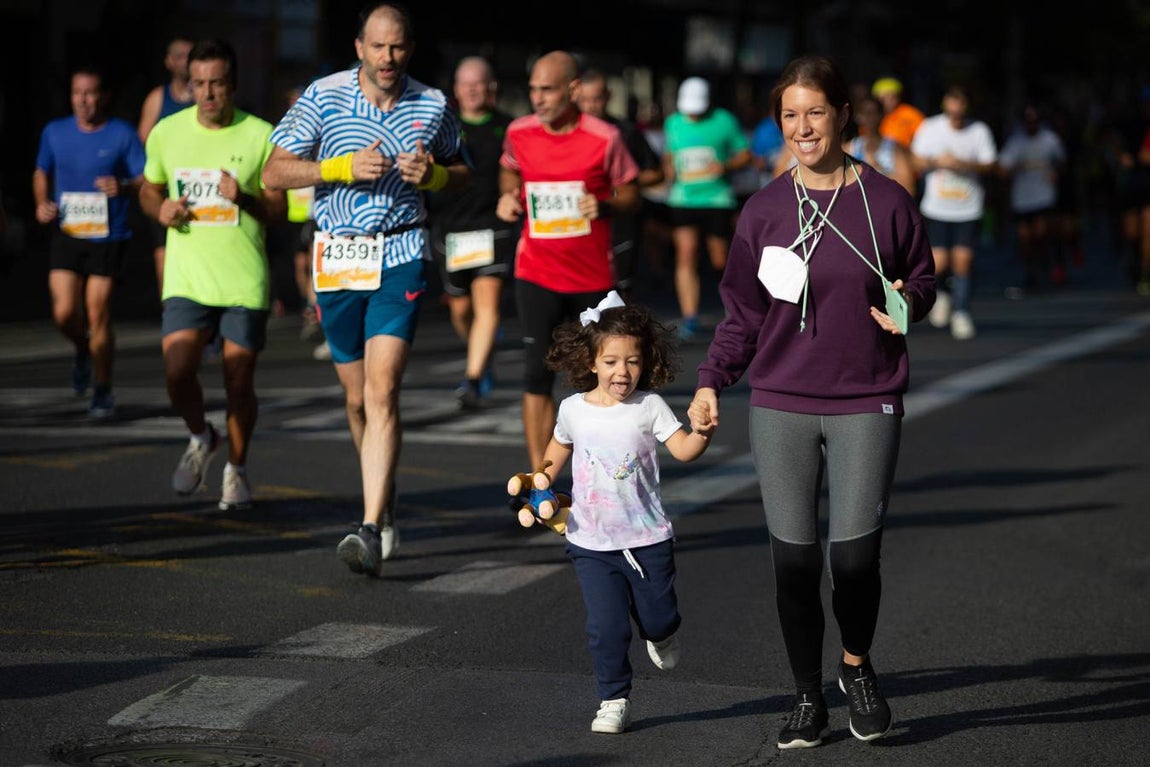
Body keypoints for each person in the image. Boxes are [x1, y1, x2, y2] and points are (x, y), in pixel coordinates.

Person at [687, 55, 935, 750]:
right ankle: (806, 695)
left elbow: (921, 275)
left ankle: (855, 667)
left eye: (815, 113)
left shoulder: (886, 200)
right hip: (780, 400)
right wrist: (711, 380)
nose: (802, 127)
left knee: (853, 562)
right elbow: (740, 311)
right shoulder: (763, 210)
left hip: (867, 395)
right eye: (789, 115)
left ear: (843, 115)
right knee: (793, 562)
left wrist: (908, 303)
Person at [262, 2, 470, 575]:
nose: (388, 58)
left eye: (398, 46)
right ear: (359, 47)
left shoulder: (431, 104)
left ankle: (370, 524)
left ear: (410, 47)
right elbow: (273, 173)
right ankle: (384, 496)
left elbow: (463, 171)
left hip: (401, 251)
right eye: (378, 47)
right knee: (355, 400)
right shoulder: (323, 96)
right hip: (338, 257)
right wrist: (339, 168)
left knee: (382, 394)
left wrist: (432, 176)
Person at [523, 291, 712, 734]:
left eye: (631, 361)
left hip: (648, 539)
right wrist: (540, 480)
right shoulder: (573, 409)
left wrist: (702, 432)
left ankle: (662, 634)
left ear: (644, 363)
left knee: (659, 616)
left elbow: (683, 449)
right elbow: (557, 450)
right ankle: (613, 698)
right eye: (610, 362)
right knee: (605, 628)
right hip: (590, 541)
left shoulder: (649, 408)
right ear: (592, 362)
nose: (621, 372)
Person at [138, 39, 286, 512]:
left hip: (243, 279)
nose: (206, 94)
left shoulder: (260, 135)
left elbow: (277, 211)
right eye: (198, 83)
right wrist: (159, 208)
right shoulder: (167, 131)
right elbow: (149, 188)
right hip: (188, 276)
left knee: (238, 382)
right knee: (178, 373)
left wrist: (241, 197)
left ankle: (237, 470)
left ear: (233, 85)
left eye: (216, 84)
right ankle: (202, 436)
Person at [495, 50, 640, 473]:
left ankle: (600, 474)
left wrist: (605, 201)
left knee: (596, 379)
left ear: (573, 90)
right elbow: (509, 169)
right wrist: (508, 194)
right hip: (535, 272)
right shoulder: (519, 132)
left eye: (547, 90)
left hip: (590, 278)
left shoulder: (604, 136)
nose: (537, 99)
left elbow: (630, 191)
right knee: (535, 375)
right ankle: (540, 479)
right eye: (533, 90)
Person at [32, 65, 146, 419]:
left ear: (104, 96)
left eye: (90, 93)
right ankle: (83, 350)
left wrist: (123, 186)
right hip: (68, 232)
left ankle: (102, 388)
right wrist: (41, 203)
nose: (83, 100)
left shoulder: (122, 134)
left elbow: (145, 178)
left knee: (97, 312)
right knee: (64, 312)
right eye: (76, 93)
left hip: (108, 234)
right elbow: (41, 171)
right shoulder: (55, 131)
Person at [426, 55, 516, 409]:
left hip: (491, 227)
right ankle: (482, 350)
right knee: (461, 311)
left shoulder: (508, 127)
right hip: (450, 230)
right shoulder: (441, 129)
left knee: (487, 304)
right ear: (456, 90)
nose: (473, 90)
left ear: (492, 87)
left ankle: (473, 377)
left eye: (480, 83)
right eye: (466, 84)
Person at [662, 76, 751, 340]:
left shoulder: (724, 120)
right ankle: (690, 317)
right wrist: (667, 169)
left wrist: (725, 167)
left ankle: (732, 310)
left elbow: (744, 153)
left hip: (717, 199)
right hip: (683, 199)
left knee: (719, 259)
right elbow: (670, 153)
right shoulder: (673, 122)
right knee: (686, 254)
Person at [911, 84, 998, 340]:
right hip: (937, 206)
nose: (956, 112)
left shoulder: (979, 131)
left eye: (960, 107)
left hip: (968, 207)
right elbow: (915, 159)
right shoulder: (930, 127)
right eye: (952, 105)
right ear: (945, 105)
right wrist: (937, 162)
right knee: (939, 262)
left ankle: (961, 312)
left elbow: (990, 164)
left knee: (963, 261)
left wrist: (965, 164)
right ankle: (943, 295)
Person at [576, 67, 666, 299]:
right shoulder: (567, 132)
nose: (591, 106)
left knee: (619, 292)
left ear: (608, 97)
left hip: (621, 223)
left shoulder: (625, 132)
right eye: (584, 100)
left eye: (596, 99)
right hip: (579, 225)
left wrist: (624, 183)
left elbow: (656, 173)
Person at [138, 35, 195, 296]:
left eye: (190, 55)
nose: (186, 61)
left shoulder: (206, 97)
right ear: (169, 62)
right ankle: (171, 316)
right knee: (164, 261)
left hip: (200, 191)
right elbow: (143, 142)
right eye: (181, 55)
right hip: (166, 192)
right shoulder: (158, 99)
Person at [997, 102, 1068, 292]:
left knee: (1042, 232)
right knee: (1025, 238)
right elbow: (1002, 167)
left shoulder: (1049, 139)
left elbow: (1062, 161)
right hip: (1022, 197)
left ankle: (1048, 262)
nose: (1031, 125)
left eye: (1035, 121)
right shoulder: (1016, 142)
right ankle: (1031, 270)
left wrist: (1056, 174)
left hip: (1044, 195)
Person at [845, 93, 917, 197]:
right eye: (865, 113)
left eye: (874, 113)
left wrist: (878, 169)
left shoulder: (895, 148)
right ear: (857, 117)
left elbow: (909, 188)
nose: (870, 118)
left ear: (882, 115)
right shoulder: (849, 148)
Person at [871, 76, 924, 149]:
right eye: (883, 98)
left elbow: (924, 135)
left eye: (892, 97)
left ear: (898, 97)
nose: (888, 101)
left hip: (906, 153)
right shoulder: (872, 116)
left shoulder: (910, 113)